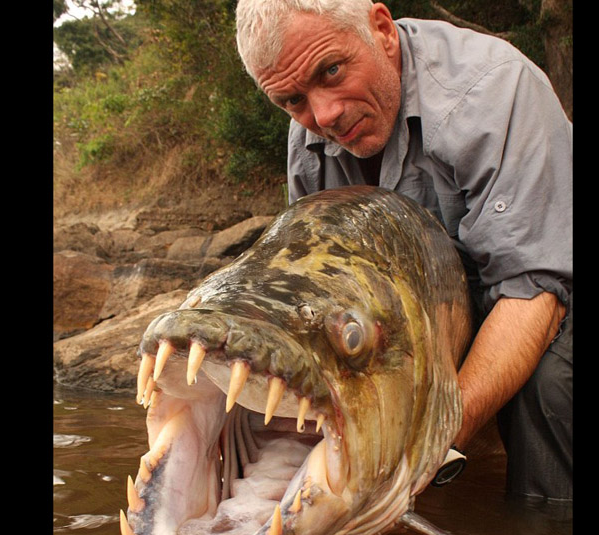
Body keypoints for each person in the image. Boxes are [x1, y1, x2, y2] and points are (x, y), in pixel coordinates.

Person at [235, 0, 572, 501]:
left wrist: (428, 446)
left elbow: (534, 291)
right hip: (439, 304)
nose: (324, 116)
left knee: (548, 387)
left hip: (548, 277)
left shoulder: (493, 91)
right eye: (292, 100)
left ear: (382, 30)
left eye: (332, 71)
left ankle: (547, 532)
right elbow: (318, 291)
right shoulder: (307, 138)